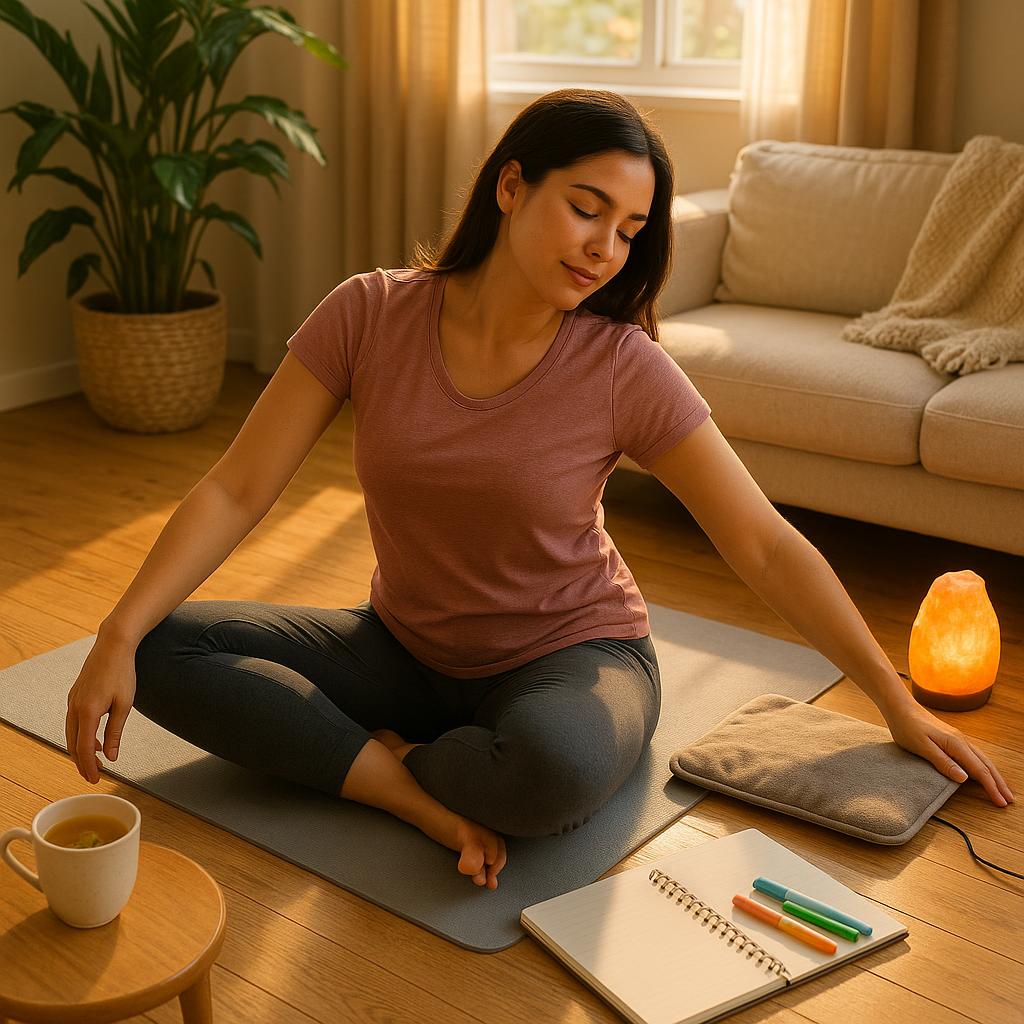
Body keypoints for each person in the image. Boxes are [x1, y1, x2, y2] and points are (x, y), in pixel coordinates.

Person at [64, 89, 1013, 895]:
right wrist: (114, 633)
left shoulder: (621, 367)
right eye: (586, 208)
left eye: (630, 230)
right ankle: (404, 786)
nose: (606, 248)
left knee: (550, 773)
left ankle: (383, 756)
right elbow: (237, 488)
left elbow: (762, 543)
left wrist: (895, 703)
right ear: (511, 184)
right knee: (158, 648)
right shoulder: (368, 313)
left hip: (570, 655)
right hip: (403, 645)